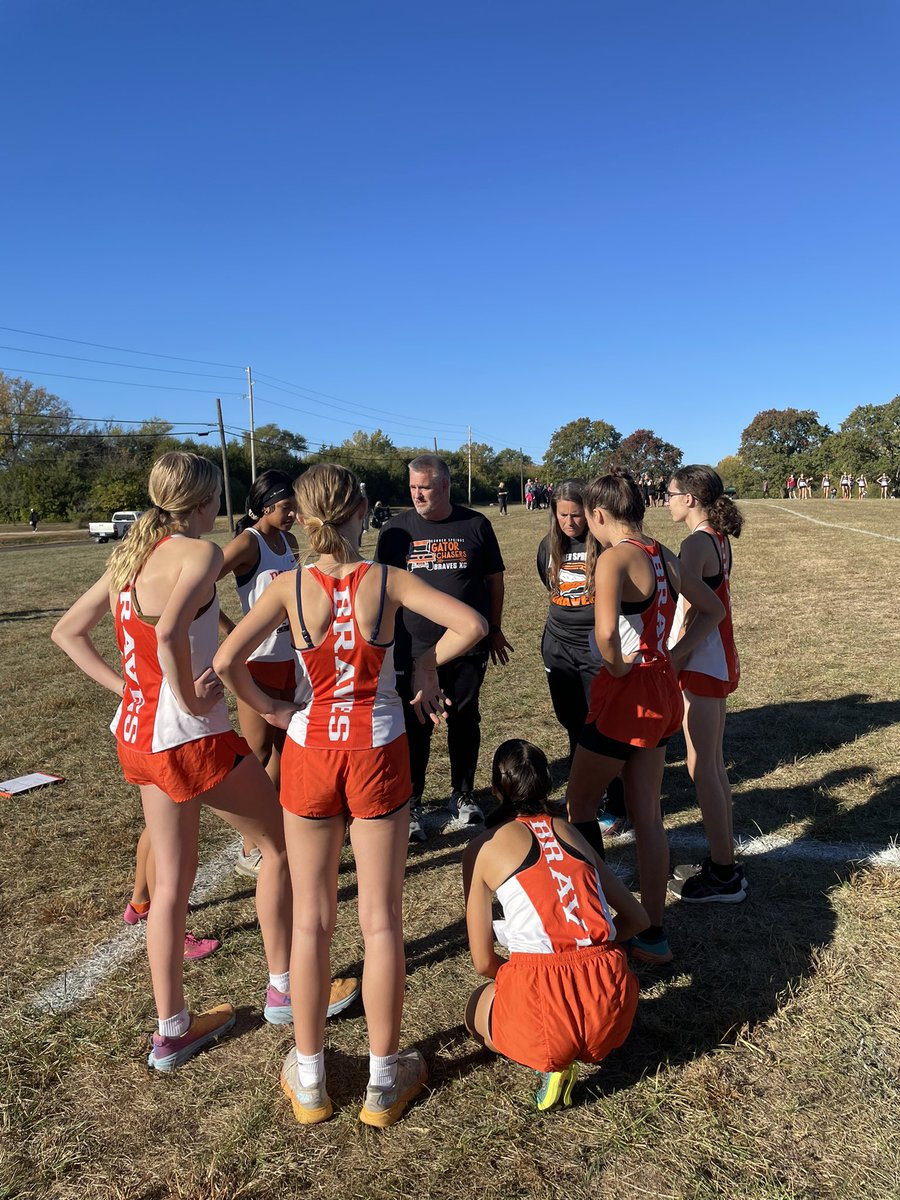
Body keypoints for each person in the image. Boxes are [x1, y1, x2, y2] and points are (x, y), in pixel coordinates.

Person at [214, 463, 487, 1127]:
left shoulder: (286, 585)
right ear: (363, 512)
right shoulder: (386, 580)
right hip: (377, 749)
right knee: (382, 919)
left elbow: (226, 663)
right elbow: (471, 625)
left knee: (311, 920)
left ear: (305, 520)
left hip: (310, 751)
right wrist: (424, 663)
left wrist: (275, 712)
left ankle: (309, 1077)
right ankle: (382, 1081)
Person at [50, 452, 299, 1072]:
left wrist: (131, 692)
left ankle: (173, 1028)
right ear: (206, 500)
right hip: (187, 736)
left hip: (137, 735)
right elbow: (166, 639)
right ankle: (285, 990)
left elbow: (66, 632)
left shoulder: (128, 558)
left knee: (170, 887)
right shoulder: (201, 553)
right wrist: (188, 695)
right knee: (280, 848)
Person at [564, 471, 724, 965]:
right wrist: (673, 656)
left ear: (598, 515)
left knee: (579, 808)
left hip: (625, 694)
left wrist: (616, 669)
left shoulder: (613, 558)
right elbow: (714, 607)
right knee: (648, 815)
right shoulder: (662, 553)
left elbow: (608, 637)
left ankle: (597, 923)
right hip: (661, 693)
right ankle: (652, 931)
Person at [462, 740, 648, 1110]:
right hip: (609, 1003)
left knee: (474, 1012)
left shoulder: (482, 848)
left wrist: (523, 977)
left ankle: (549, 1060)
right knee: (572, 1016)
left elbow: (483, 962)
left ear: (496, 789)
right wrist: (597, 949)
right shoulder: (571, 831)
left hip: (538, 992)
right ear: (548, 783)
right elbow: (637, 919)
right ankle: (572, 1043)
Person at [376, 455, 513, 841]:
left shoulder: (476, 524)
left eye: (426, 487)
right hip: (411, 649)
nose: (418, 494)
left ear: (446, 487)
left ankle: (463, 794)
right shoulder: (395, 530)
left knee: (465, 719)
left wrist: (496, 628)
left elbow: (493, 581)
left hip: (466, 646)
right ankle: (413, 801)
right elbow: (381, 592)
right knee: (415, 724)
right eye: (414, 487)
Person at [665, 466, 746, 903]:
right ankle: (723, 859)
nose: (667, 500)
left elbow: (699, 611)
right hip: (714, 658)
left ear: (691, 498)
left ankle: (724, 874)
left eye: (672, 493)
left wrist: (675, 657)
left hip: (702, 660)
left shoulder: (696, 543)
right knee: (711, 764)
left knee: (704, 768)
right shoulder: (716, 537)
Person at [217, 471, 299, 879]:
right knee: (257, 755)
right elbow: (200, 587)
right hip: (256, 664)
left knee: (286, 752)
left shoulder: (290, 542)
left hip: (292, 663)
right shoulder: (248, 542)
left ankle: (272, 834)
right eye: (286, 507)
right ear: (265, 507)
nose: (293, 514)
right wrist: (233, 633)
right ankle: (250, 848)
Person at [536, 480, 598, 761]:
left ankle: (608, 790)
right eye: (563, 515)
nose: (570, 522)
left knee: (598, 720)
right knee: (570, 718)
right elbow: (551, 587)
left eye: (576, 515)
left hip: (595, 648)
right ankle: (580, 782)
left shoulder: (602, 544)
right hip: (558, 646)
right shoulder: (547, 546)